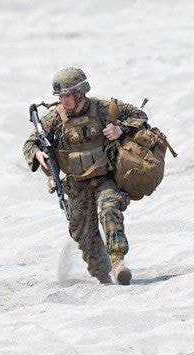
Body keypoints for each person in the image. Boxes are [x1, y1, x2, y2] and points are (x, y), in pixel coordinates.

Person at [22, 67, 148, 285]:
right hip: (76, 185)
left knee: (109, 208)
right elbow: (30, 142)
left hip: (106, 178)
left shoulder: (103, 109)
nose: (64, 100)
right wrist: (37, 153)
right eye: (60, 96)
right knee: (82, 233)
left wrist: (121, 130)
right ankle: (103, 275)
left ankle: (118, 261)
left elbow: (140, 116)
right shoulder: (55, 119)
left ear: (80, 93)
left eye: (67, 96)